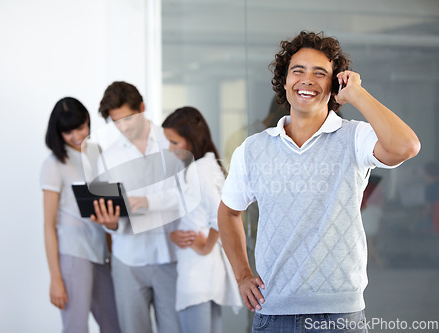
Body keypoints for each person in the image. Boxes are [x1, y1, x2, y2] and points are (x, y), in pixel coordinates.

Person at [218, 31, 421, 333]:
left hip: (339, 316)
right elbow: (229, 212)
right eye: (297, 70)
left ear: (334, 83)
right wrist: (242, 275)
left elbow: (406, 146)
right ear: (284, 81)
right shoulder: (253, 149)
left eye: (320, 73)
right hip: (273, 313)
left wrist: (357, 94)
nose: (307, 79)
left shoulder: (355, 138)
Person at [91, 81, 181, 333]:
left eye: (128, 118)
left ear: (142, 107)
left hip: (170, 256)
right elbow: (110, 214)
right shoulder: (108, 158)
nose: (124, 127)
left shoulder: (172, 142)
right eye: (116, 122)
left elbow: (189, 194)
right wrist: (110, 223)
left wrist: (150, 202)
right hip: (128, 259)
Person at [40, 97, 121, 333]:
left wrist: (112, 254)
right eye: (69, 132)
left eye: (81, 127)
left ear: (88, 122)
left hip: (101, 254)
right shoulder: (54, 164)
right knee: (76, 327)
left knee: (115, 325)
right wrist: (55, 279)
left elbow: (107, 204)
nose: (77, 135)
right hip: (74, 256)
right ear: (58, 132)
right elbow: (48, 226)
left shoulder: (97, 153)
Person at [161, 106, 242, 333]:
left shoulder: (198, 170)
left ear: (192, 140)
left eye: (175, 142)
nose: (170, 148)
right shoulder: (209, 165)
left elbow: (223, 215)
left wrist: (205, 246)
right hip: (208, 274)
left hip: (197, 273)